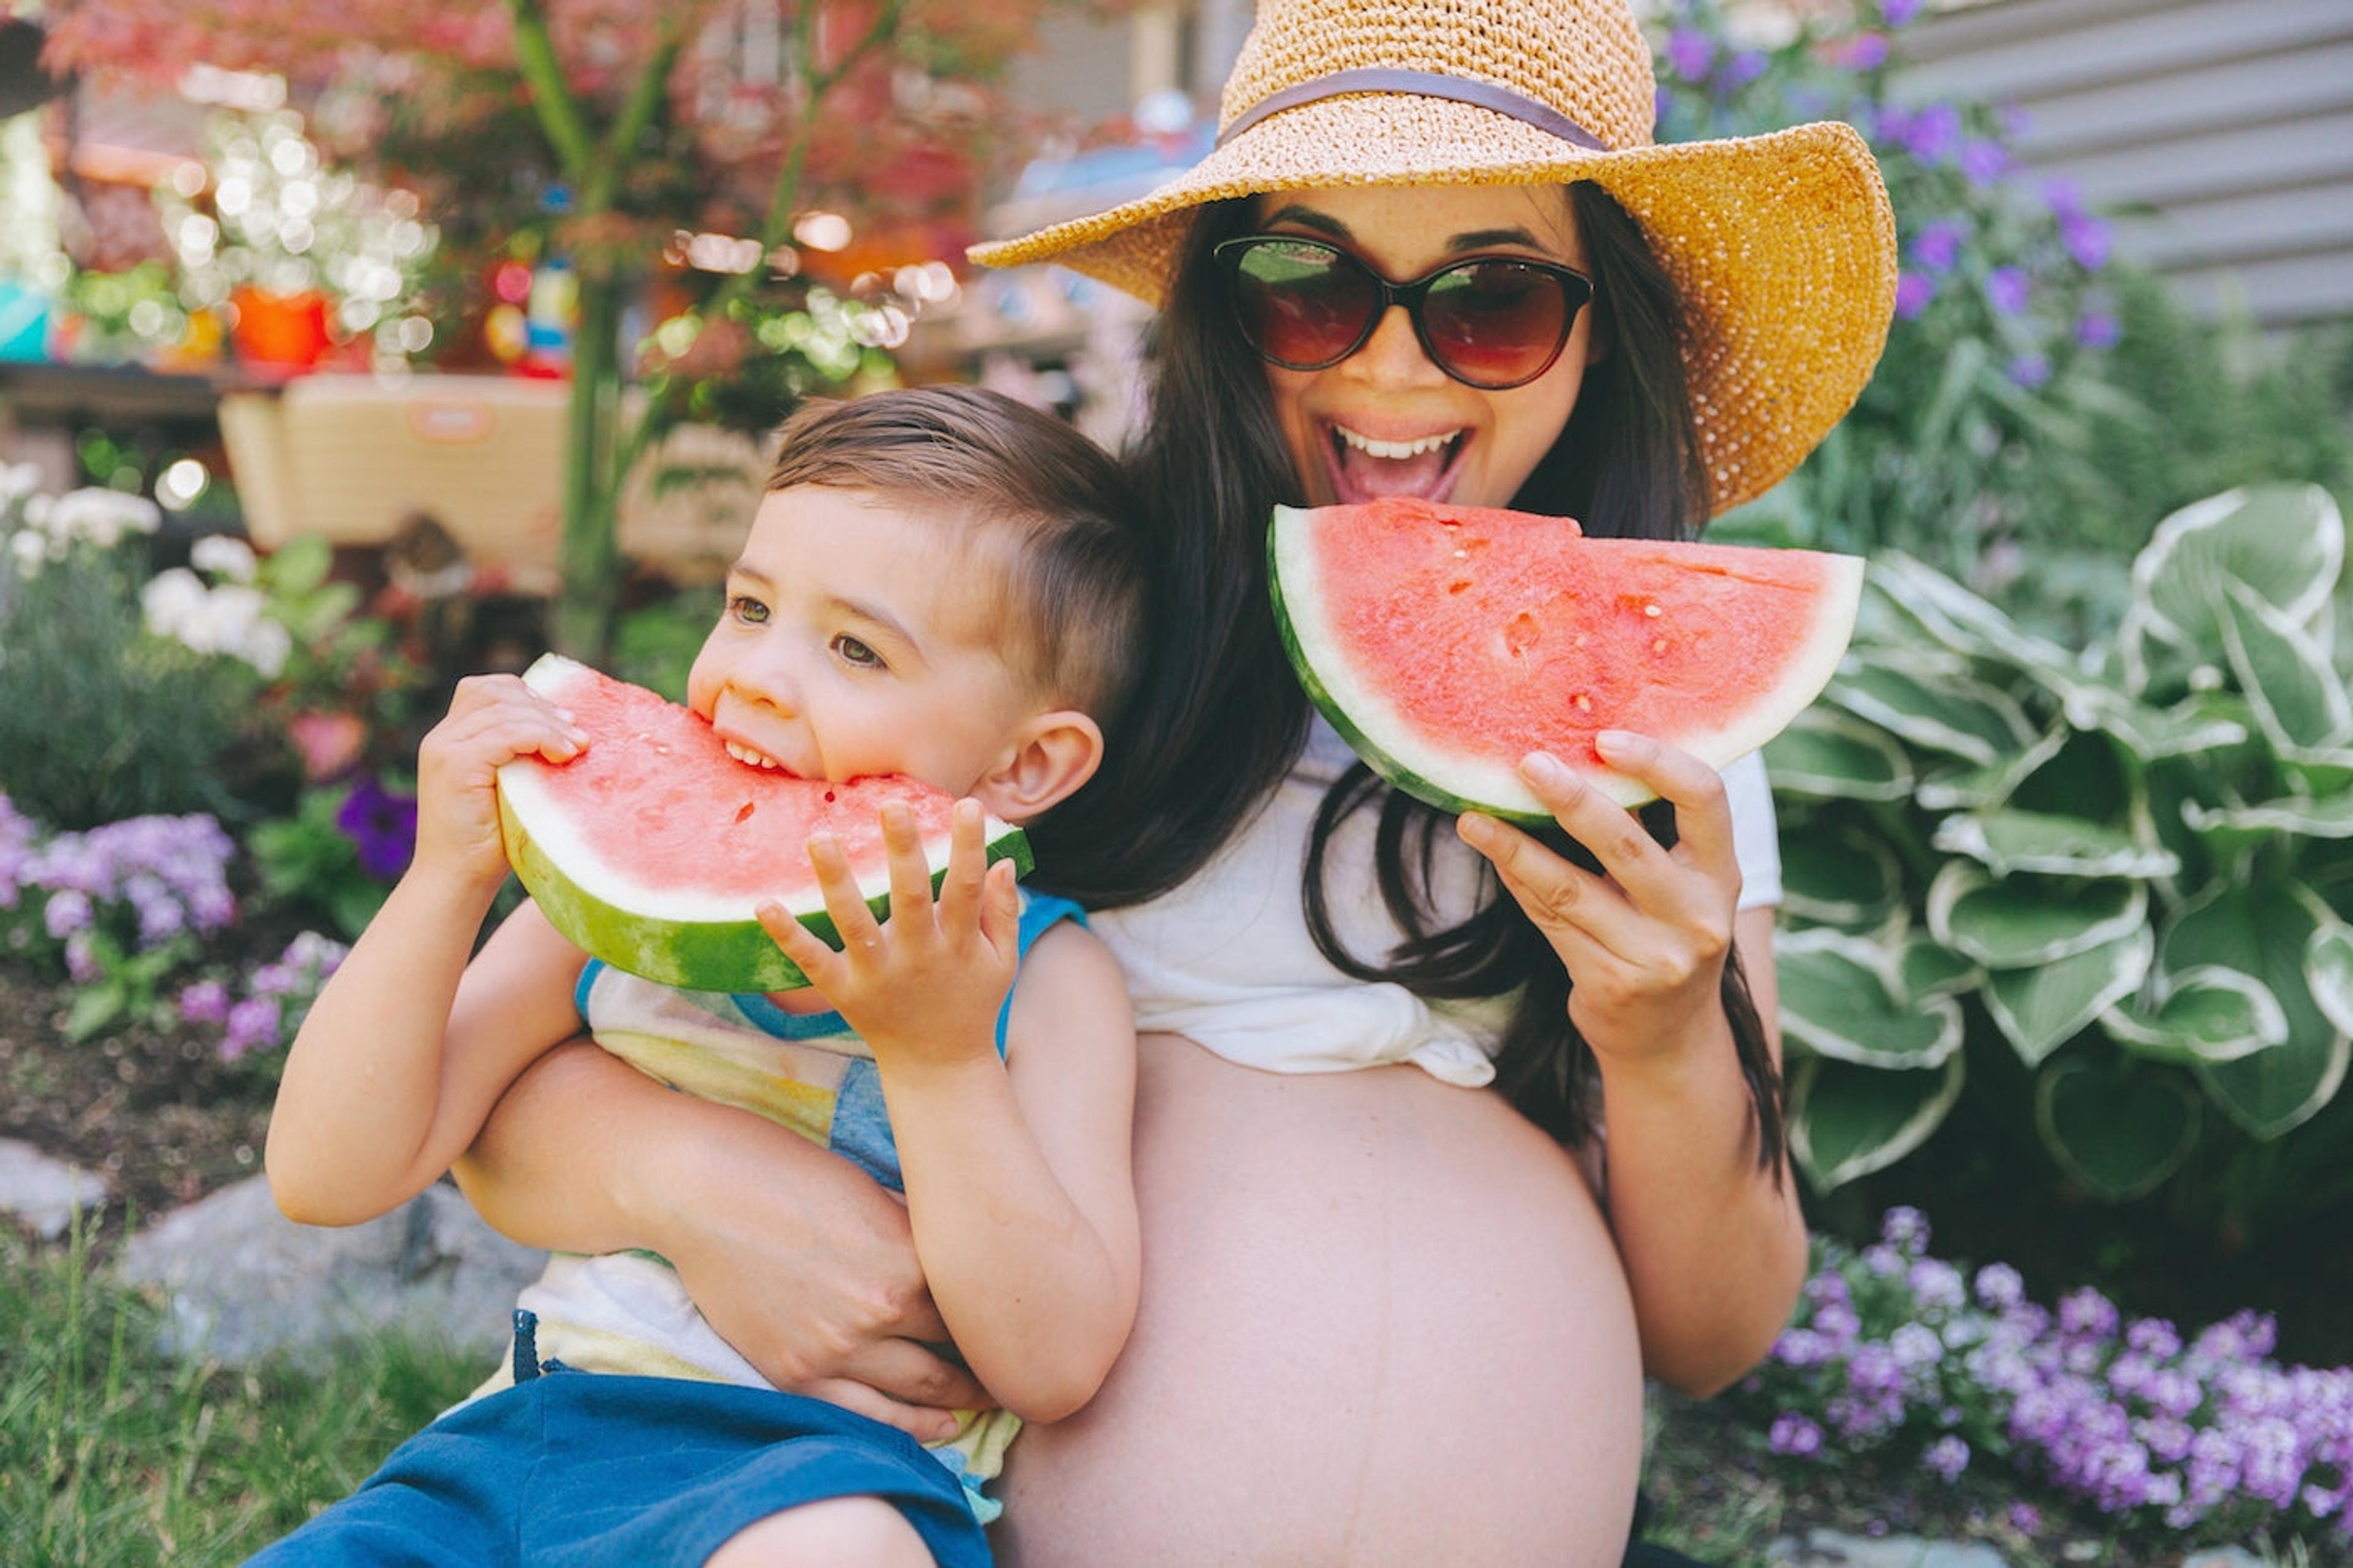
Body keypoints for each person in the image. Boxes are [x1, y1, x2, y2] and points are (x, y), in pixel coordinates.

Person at [455, 0, 1898, 1561]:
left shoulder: (1652, 738)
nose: (1393, 363)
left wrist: (1669, 1035)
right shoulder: (1051, 648)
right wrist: (690, 1174)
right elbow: (513, 1075)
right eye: (1309, 281)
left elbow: (1718, 1331)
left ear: (1601, 322)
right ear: (1222, 302)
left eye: (1492, 299)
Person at [254, 387, 1150, 1567]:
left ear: (1028, 762)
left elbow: (1056, 1359)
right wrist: (445, 881)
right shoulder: (604, 925)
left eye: (855, 648)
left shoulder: (1045, 981)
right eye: (751, 605)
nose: (758, 677)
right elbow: (326, 1173)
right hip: (529, 1438)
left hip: (812, 1480)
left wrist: (937, 1059)